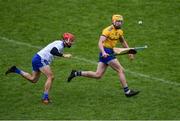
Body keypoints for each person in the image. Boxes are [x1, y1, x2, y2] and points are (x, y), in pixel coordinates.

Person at [67, 15, 139, 97]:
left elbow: (123, 42)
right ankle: (127, 91)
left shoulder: (120, 31)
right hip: (106, 52)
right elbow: (100, 42)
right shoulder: (107, 30)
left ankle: (76, 73)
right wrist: (103, 52)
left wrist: (129, 51)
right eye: (117, 21)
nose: (119, 23)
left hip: (109, 52)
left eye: (121, 22)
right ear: (113, 21)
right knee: (120, 70)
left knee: (98, 75)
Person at [5, 32, 75, 104]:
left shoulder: (59, 43)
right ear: (66, 40)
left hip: (37, 58)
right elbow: (53, 51)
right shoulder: (60, 45)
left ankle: (15, 70)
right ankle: (45, 98)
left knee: (33, 79)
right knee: (51, 77)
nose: (72, 43)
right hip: (40, 59)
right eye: (71, 41)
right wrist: (64, 55)